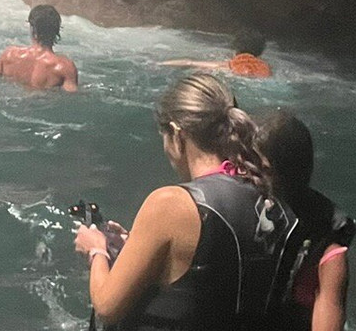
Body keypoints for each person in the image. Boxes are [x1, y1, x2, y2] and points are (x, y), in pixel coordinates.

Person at [73, 73, 300, 330]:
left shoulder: (171, 203)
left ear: (177, 134)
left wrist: (97, 250)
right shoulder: (269, 195)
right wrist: (138, 247)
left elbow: (107, 308)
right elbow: (217, 276)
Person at [258, 110, 355, 331]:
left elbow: (328, 309)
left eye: (262, 169)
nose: (252, 175)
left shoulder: (328, 237)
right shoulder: (243, 206)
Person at [0, 4, 78, 91]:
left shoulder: (9, 54)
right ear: (56, 31)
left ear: (32, 29)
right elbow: (72, 96)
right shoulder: (64, 67)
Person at [160, 31, 272, 78]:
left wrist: (161, 63)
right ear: (260, 51)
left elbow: (189, 62)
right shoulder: (266, 68)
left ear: (236, 49)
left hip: (233, 75)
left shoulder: (227, 65)